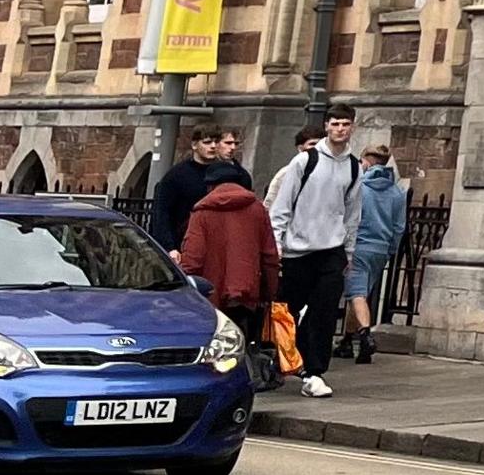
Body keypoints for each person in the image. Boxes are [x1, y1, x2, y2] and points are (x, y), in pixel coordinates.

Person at [264, 112, 366, 399]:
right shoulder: (304, 161)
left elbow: (352, 213)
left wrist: (348, 250)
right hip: (297, 251)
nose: (340, 129)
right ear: (326, 127)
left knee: (323, 312)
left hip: (331, 251)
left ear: (352, 128)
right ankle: (277, 359)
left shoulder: (354, 167)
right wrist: (277, 245)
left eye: (345, 124)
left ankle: (314, 372)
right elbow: (281, 207)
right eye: (335, 124)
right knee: (287, 312)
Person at [181, 177, 280, 386]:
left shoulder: (203, 212)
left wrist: (187, 287)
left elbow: (193, 256)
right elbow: (269, 255)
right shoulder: (257, 210)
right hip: (247, 291)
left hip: (210, 294)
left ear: (210, 185)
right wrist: (270, 292)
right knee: (243, 339)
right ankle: (248, 381)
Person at [341, 146, 405, 364]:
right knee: (359, 295)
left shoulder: (361, 188)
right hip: (380, 249)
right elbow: (399, 226)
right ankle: (347, 341)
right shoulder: (397, 192)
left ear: (366, 161)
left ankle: (365, 336)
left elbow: (350, 218)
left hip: (359, 246)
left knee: (356, 293)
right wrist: (391, 249)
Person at [149, 126, 250, 258]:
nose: (213, 146)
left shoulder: (227, 173)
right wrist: (170, 247)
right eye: (207, 142)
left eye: (216, 141)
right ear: (195, 145)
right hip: (184, 242)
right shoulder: (177, 175)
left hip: (219, 243)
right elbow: (162, 213)